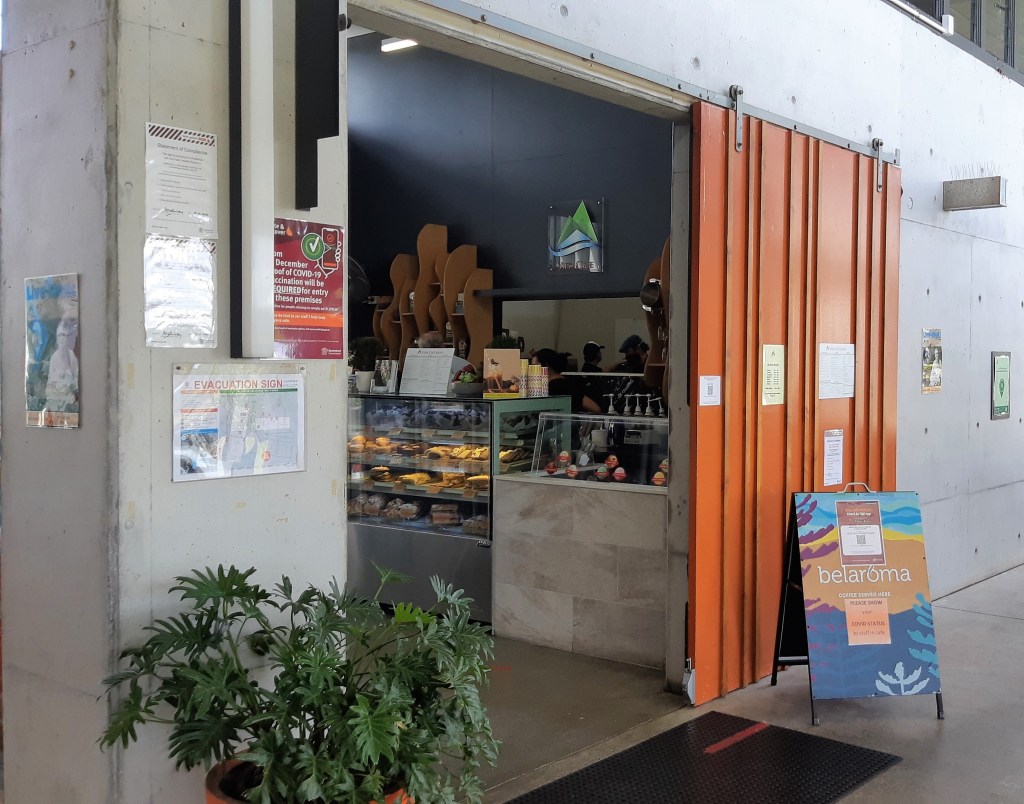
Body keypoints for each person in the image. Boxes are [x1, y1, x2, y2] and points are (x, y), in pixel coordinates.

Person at [532, 348, 601, 413]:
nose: (532, 371)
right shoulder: (566, 384)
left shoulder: (560, 386)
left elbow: (595, 408)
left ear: (546, 366)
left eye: (534, 367)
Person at [45, 314, 80, 412]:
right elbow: (53, 385)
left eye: (64, 335)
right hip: (59, 400)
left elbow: (75, 377)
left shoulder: (71, 355)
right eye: (60, 335)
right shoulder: (54, 358)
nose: (62, 338)